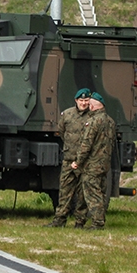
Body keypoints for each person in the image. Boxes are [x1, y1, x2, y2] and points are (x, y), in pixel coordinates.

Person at [44, 88, 92, 227]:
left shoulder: (92, 117)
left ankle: (80, 221)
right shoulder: (67, 115)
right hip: (69, 159)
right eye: (81, 100)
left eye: (86, 101)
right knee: (64, 191)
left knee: (82, 193)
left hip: (85, 161)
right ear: (76, 101)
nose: (83, 103)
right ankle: (59, 220)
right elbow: (62, 132)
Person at [71, 92, 117, 230]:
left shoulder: (93, 122)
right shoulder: (110, 121)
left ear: (92, 106)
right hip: (104, 164)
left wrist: (78, 161)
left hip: (92, 164)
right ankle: (83, 221)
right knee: (100, 193)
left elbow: (86, 145)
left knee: (92, 194)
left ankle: (97, 223)